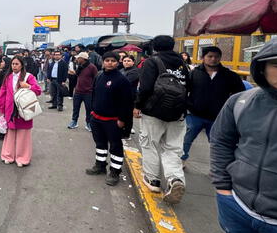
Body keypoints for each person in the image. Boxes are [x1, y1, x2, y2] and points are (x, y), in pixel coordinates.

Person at [206, 35, 277, 233]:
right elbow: (221, 141)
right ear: (262, 67)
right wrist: (223, 188)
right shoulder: (242, 102)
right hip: (239, 205)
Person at [134, 35, 189, 204]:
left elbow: (145, 87)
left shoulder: (152, 61)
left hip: (154, 111)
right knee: (173, 147)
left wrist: (138, 105)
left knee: (150, 143)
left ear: (155, 47)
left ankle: (152, 180)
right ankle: (175, 179)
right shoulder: (183, 64)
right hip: (177, 112)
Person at [182, 46, 244, 166]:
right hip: (195, 114)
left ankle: (217, 167)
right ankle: (182, 160)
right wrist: (188, 106)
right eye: (210, 56)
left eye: (216, 57)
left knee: (217, 144)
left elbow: (240, 94)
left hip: (218, 117)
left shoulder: (229, 75)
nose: (213, 59)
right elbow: (184, 91)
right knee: (186, 139)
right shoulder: (194, 73)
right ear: (203, 58)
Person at [85, 52, 133, 186]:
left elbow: (127, 102)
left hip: (113, 120)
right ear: (102, 62)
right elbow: (94, 94)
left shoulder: (122, 80)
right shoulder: (99, 75)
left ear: (118, 62)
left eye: (113, 60)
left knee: (115, 147)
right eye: (107, 60)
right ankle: (100, 165)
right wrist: (92, 112)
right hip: (97, 118)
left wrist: (122, 120)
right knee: (100, 144)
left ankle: (115, 172)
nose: (110, 63)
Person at [0, 55, 42, 167]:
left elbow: (38, 90)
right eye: (13, 64)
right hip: (10, 109)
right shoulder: (8, 77)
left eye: (17, 64)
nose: (14, 66)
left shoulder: (28, 77)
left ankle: (22, 158)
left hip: (24, 109)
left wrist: (27, 86)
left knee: (23, 134)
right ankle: (8, 155)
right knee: (10, 133)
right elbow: (3, 92)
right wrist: (1, 107)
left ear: (22, 65)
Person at [67, 52, 97, 131]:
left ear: (83, 59)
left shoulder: (92, 67)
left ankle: (88, 123)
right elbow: (78, 76)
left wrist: (92, 89)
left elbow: (96, 79)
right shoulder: (80, 66)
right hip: (78, 91)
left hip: (88, 92)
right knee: (76, 108)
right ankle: (74, 121)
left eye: (78, 58)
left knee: (89, 109)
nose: (77, 59)